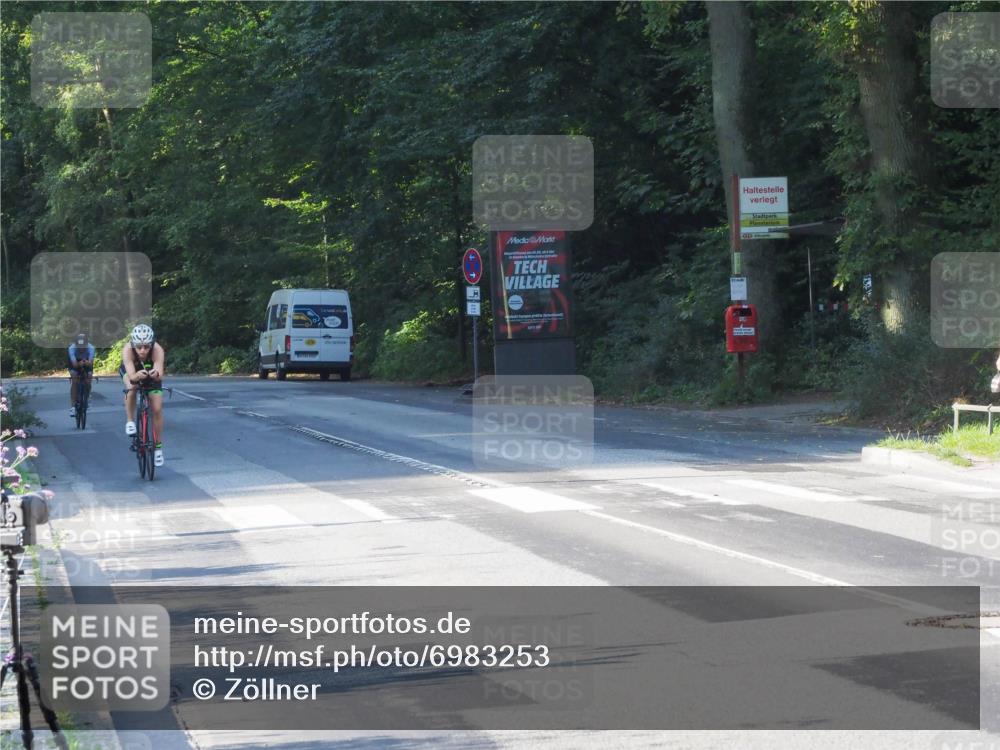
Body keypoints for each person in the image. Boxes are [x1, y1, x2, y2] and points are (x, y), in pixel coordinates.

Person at [120, 324, 166, 467]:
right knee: (131, 386)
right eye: (139, 347)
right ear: (133, 344)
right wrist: (136, 377)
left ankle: (158, 448)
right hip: (132, 372)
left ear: (151, 344)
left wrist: (155, 374)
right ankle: (130, 421)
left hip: (150, 372)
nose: (143, 350)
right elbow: (132, 375)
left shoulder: (157, 350)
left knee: (157, 409)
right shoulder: (127, 350)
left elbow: (159, 374)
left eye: (146, 347)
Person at [67, 333, 95, 418]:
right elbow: (74, 365)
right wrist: (79, 364)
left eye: (83, 346)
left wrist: (86, 363)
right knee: (75, 381)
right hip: (74, 362)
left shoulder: (91, 348)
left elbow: (90, 364)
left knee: (88, 379)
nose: (82, 348)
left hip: (86, 362)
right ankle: (72, 407)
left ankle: (87, 398)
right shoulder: (72, 348)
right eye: (79, 346)